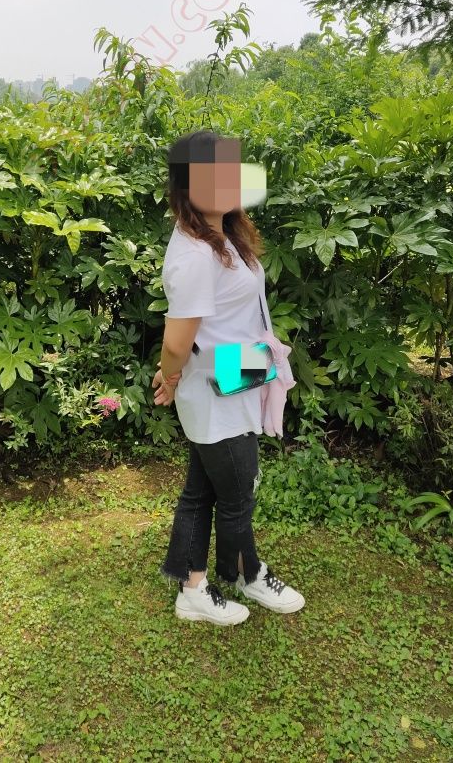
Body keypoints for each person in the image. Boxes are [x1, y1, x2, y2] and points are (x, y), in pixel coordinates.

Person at [152, 129, 305, 626]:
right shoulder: (196, 254)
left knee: (203, 489)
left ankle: (196, 585)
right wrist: (170, 377)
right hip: (213, 385)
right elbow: (177, 342)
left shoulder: (221, 235)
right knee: (238, 491)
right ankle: (245, 573)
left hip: (237, 371)